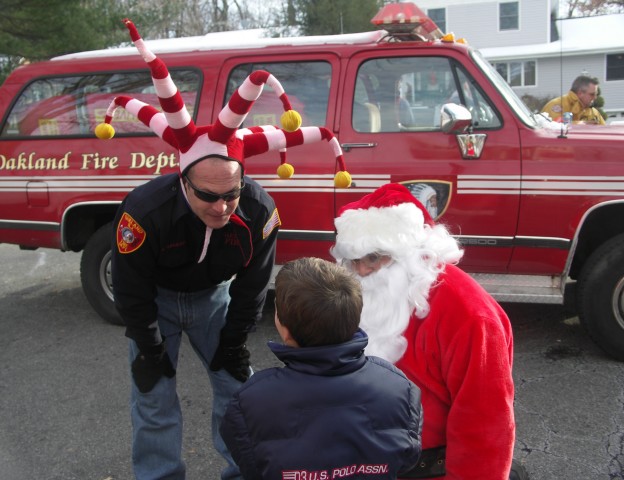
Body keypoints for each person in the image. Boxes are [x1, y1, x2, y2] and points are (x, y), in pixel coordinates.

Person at [102, 19, 351, 480]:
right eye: (208, 196)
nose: (221, 207)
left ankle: (244, 473)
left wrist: (236, 338)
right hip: (155, 297)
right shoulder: (144, 210)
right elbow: (131, 287)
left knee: (239, 390)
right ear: (183, 181)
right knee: (154, 398)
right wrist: (149, 343)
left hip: (212, 297)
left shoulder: (258, 210)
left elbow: (255, 284)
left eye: (230, 193)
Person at [331, 183, 519, 480]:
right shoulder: (361, 293)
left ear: (415, 252)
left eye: (375, 257)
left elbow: (484, 425)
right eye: (354, 260)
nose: (363, 271)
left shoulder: (471, 315)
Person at [221, 257, 423, 480]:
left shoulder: (251, 400)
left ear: (285, 331)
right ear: (355, 318)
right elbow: (407, 458)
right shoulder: (399, 387)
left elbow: (249, 465)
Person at [541, 75, 605, 125]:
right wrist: (582, 124)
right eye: (592, 94)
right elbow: (553, 128)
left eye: (596, 94)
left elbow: (604, 133)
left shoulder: (594, 113)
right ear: (580, 93)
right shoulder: (558, 105)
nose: (595, 97)